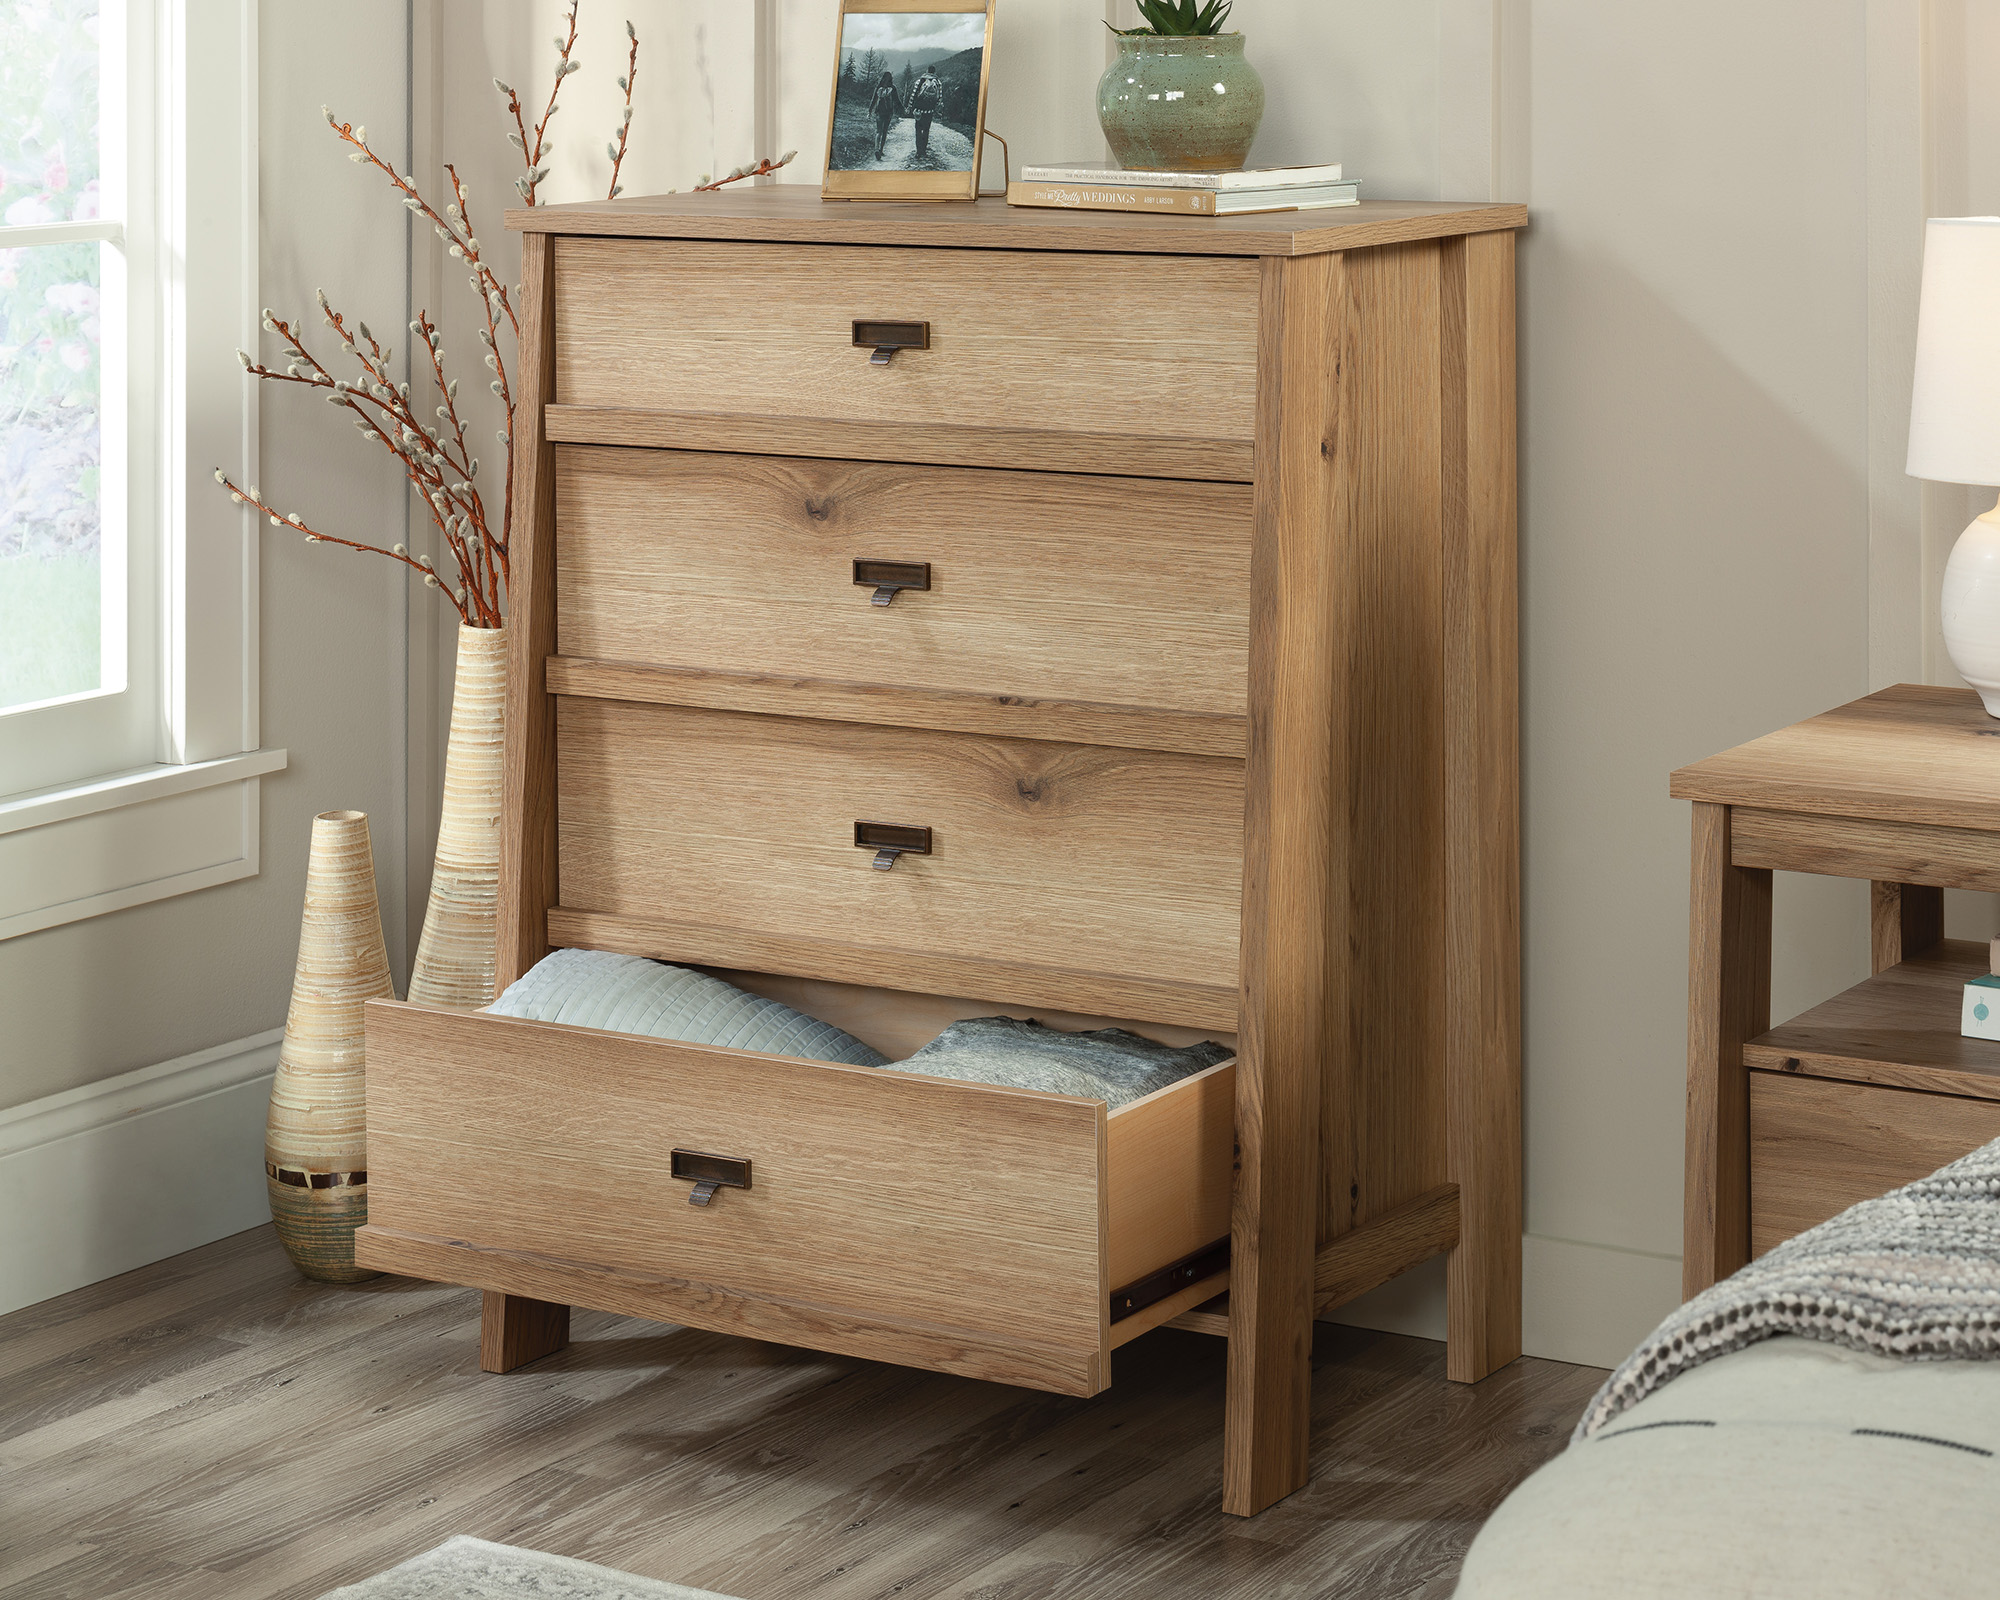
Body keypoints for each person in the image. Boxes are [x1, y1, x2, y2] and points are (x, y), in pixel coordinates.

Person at [907, 69, 943, 159]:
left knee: (918, 130)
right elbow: (940, 98)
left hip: (919, 110)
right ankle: (924, 151)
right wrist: (937, 110)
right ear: (934, 72)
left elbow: (913, 95)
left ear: (927, 71)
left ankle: (918, 152)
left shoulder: (920, 81)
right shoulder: (938, 82)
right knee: (926, 130)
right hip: (929, 111)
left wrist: (910, 107)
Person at [869, 70, 899, 159]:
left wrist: (869, 111)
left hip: (879, 111)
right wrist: (903, 109)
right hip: (888, 113)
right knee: (885, 131)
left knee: (879, 131)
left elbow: (873, 100)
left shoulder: (879, 87)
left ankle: (876, 149)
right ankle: (881, 150)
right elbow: (897, 101)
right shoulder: (893, 88)